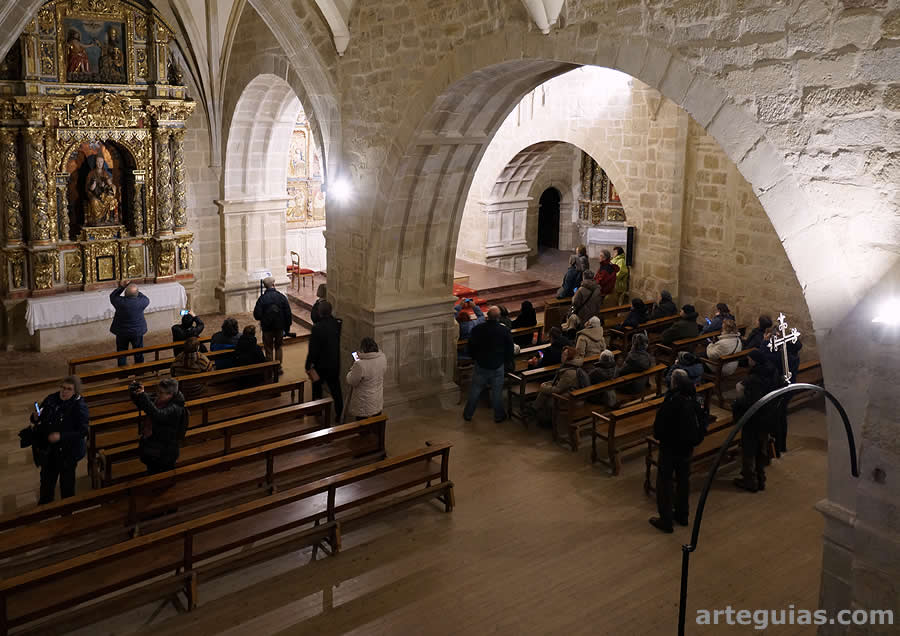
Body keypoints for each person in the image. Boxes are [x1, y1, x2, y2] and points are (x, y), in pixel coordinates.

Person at [649, 369, 705, 533]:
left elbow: (659, 428)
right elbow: (702, 422)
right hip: (687, 448)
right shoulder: (694, 399)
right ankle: (682, 514)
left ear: (674, 383)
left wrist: (660, 437)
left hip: (670, 448)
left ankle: (666, 520)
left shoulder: (672, 401)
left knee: (665, 482)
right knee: (683, 480)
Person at [29, 376, 89, 504]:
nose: (64, 391)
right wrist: (35, 417)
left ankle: (66, 511)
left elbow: (83, 431)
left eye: (69, 389)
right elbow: (39, 418)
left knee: (67, 487)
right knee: (46, 485)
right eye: (63, 387)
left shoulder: (79, 406)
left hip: (68, 453)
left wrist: (61, 436)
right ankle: (45, 509)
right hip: (49, 452)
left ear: (75, 391)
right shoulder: (51, 399)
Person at [732, 349, 780, 493]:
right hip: (767, 417)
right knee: (761, 448)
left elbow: (752, 402)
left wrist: (737, 402)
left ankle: (750, 481)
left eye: (749, 359)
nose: (748, 361)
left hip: (753, 419)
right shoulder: (772, 372)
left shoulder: (754, 380)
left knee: (749, 450)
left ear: (754, 361)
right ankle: (761, 478)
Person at [462, 306, 514, 423]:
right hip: (497, 364)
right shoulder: (504, 330)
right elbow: (510, 349)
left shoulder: (478, 329)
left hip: (481, 364)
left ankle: (468, 414)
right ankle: (498, 415)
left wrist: (474, 358)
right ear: (498, 318)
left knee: (475, 390)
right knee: (497, 392)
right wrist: (505, 361)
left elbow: (470, 346)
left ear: (487, 316)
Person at [129, 378, 187, 474]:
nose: (158, 394)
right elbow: (145, 403)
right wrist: (136, 394)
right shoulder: (161, 399)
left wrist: (143, 396)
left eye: (161, 392)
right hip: (154, 446)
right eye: (157, 391)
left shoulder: (176, 408)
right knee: (152, 470)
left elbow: (158, 415)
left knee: (164, 474)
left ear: (170, 394)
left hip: (166, 451)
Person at [528, 345, 583, 431]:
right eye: (562, 353)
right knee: (544, 391)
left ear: (569, 357)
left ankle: (542, 417)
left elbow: (558, 389)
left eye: (564, 354)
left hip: (567, 397)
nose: (562, 355)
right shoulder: (568, 366)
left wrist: (543, 387)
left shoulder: (569, 372)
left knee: (545, 394)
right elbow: (559, 382)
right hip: (565, 391)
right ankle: (534, 411)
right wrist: (546, 385)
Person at [306, 300, 344, 420]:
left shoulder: (317, 328)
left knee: (316, 387)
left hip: (321, 365)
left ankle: (317, 410)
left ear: (319, 312)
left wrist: (308, 364)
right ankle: (339, 413)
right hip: (334, 363)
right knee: (336, 389)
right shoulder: (337, 324)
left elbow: (313, 349)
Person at [253, 276, 293, 372]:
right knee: (279, 347)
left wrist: (264, 318)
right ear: (274, 285)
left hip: (267, 328)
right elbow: (288, 313)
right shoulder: (281, 297)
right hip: (279, 327)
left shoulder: (262, 299)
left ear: (265, 286)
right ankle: (278, 368)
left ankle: (270, 369)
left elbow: (257, 315)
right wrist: (287, 327)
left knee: (268, 348)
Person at [345, 337, 388, 420]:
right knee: (376, 422)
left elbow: (351, 381)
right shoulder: (382, 357)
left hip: (363, 402)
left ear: (363, 349)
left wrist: (352, 369)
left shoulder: (360, 364)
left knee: (362, 424)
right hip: (377, 398)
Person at [109, 280, 149, 366]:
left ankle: (122, 371)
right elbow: (145, 298)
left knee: (121, 353)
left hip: (122, 332)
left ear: (125, 294)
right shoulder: (141, 302)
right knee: (138, 352)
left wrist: (122, 287)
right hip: (137, 331)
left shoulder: (120, 302)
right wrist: (135, 290)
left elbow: (113, 296)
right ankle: (139, 370)